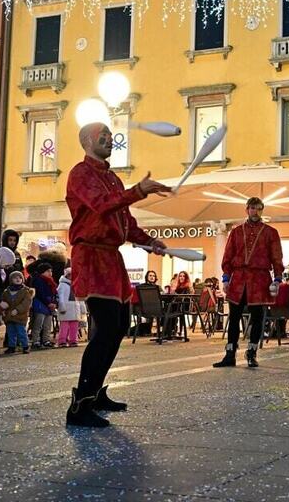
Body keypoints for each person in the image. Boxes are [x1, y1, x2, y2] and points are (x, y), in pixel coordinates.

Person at [65, 122, 170, 428]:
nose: (111, 140)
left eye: (112, 136)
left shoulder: (111, 177)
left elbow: (125, 220)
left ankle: (95, 393)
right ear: (87, 141)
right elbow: (101, 206)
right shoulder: (80, 173)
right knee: (107, 327)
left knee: (118, 325)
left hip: (111, 258)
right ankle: (80, 404)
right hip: (91, 256)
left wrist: (149, 241)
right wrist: (138, 191)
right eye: (104, 136)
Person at [213, 197, 284, 369]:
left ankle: (251, 353)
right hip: (238, 277)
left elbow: (276, 256)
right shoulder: (236, 232)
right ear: (247, 209)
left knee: (258, 317)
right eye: (252, 208)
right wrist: (225, 277)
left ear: (262, 210)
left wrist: (277, 278)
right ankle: (230, 354)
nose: (255, 211)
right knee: (234, 316)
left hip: (259, 278)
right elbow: (228, 256)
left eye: (259, 208)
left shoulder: (270, 232)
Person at [1, 270, 33, 354]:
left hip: (20, 316)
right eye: (15, 278)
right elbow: (3, 302)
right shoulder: (6, 292)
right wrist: (2, 310)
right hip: (9, 316)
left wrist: (18, 309)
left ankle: (25, 346)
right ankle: (11, 346)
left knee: (21, 332)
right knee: (10, 332)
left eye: (20, 278)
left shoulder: (25, 291)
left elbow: (26, 303)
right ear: (11, 280)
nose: (18, 279)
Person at [30, 262, 57, 349]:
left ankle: (46, 340)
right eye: (48, 271)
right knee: (38, 324)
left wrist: (54, 303)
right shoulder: (38, 280)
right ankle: (35, 341)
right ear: (42, 272)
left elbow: (54, 293)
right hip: (40, 305)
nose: (50, 273)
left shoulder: (50, 281)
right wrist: (49, 303)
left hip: (49, 306)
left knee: (47, 325)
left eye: (51, 271)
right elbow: (40, 293)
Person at [57, 267, 83, 347]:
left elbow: (80, 297)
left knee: (74, 325)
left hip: (75, 307)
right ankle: (62, 340)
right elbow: (60, 296)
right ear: (67, 275)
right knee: (64, 325)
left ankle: (73, 340)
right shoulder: (62, 285)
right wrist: (61, 306)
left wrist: (82, 308)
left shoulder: (76, 285)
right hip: (66, 307)